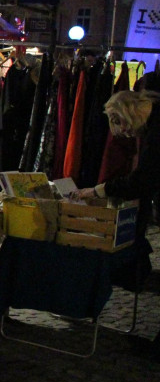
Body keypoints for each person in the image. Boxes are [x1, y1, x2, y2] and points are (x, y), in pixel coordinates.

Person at [72, 89, 159, 359]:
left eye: (119, 123)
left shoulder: (156, 133)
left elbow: (142, 181)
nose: (123, 133)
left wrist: (99, 190)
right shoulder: (153, 126)